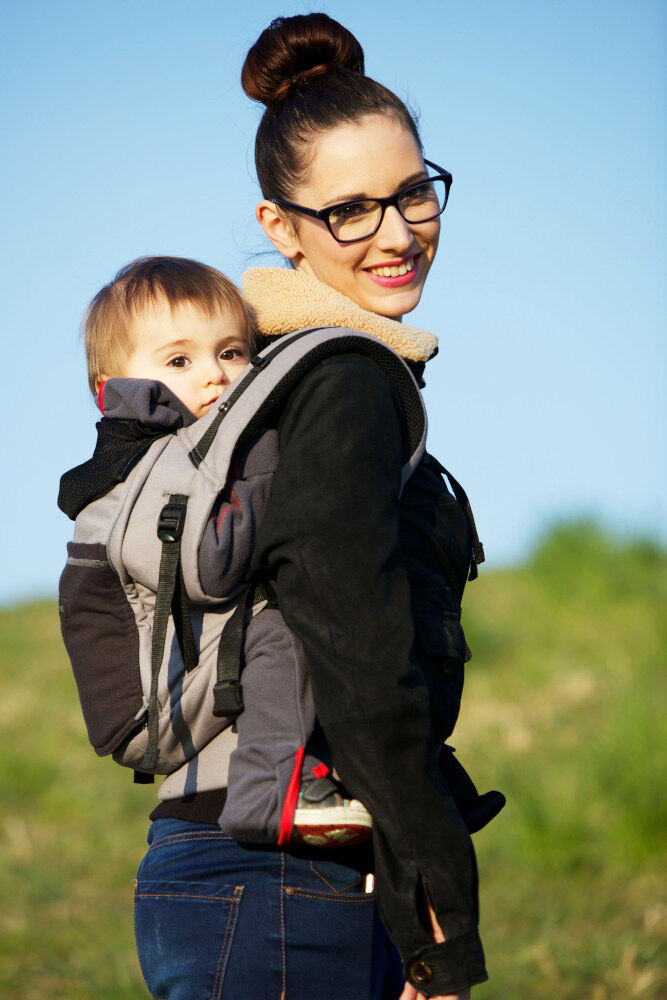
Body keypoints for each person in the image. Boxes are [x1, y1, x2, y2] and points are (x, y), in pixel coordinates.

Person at [133, 13, 496, 1000]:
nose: (396, 233)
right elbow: (356, 644)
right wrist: (438, 922)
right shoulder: (343, 381)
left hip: (221, 875)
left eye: (414, 193)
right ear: (278, 227)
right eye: (349, 211)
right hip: (287, 890)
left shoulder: (253, 386)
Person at [59, 254, 374, 847]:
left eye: (231, 352)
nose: (216, 375)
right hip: (148, 703)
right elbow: (208, 566)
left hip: (183, 671)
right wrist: (278, 466)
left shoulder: (191, 453)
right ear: (114, 389)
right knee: (285, 622)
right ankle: (268, 793)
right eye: (180, 360)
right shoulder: (141, 468)